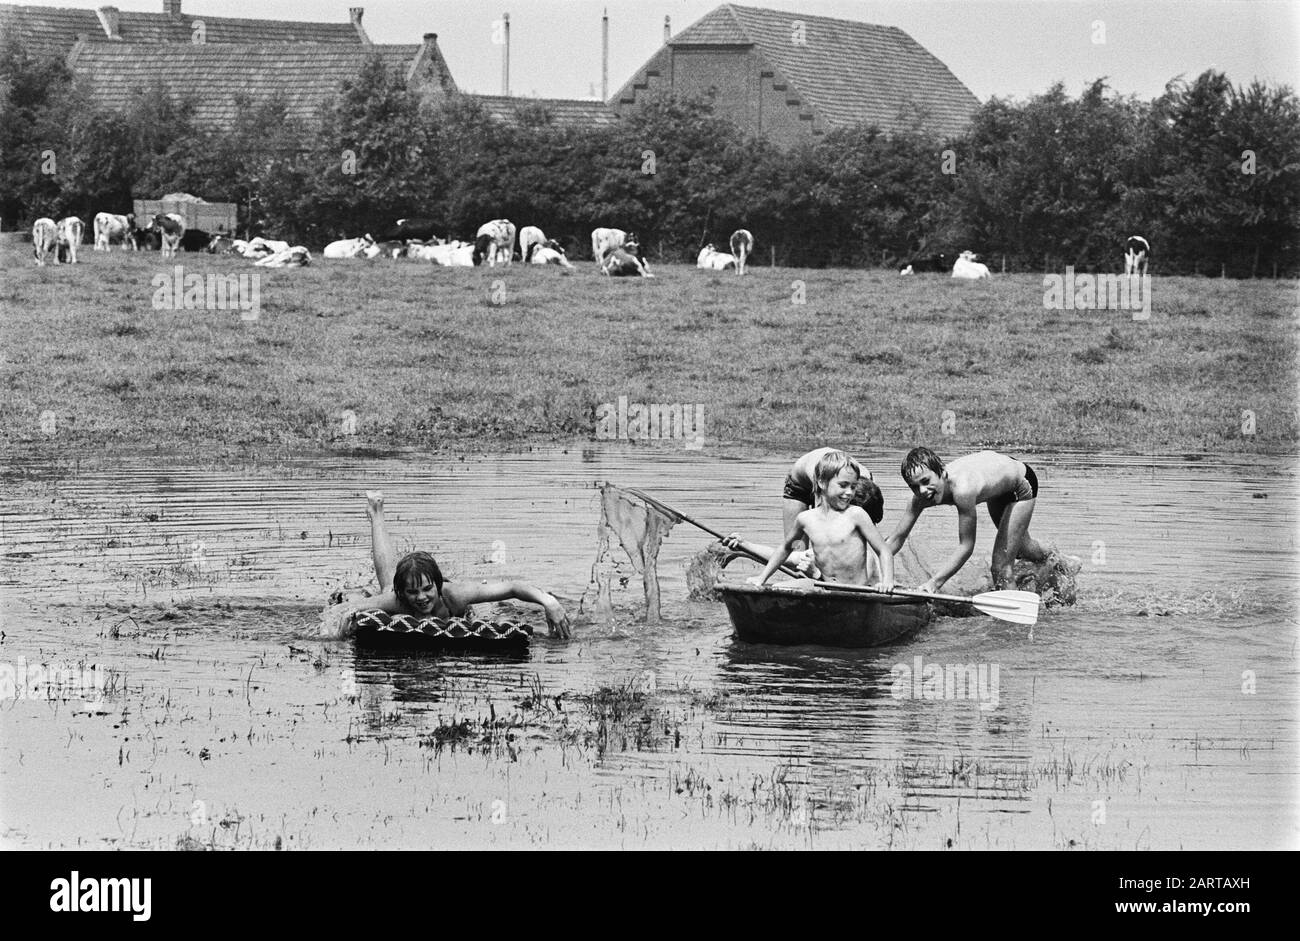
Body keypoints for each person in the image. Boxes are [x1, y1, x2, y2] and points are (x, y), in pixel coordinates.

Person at [317, 492, 571, 639]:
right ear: (403, 593)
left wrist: (549, 602)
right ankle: (376, 513)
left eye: (427, 589)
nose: (421, 597)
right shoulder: (395, 601)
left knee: (393, 581)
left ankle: (376, 513)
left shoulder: (455, 595)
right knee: (386, 587)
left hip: (450, 610)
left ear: (438, 586)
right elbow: (341, 611)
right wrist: (338, 632)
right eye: (412, 592)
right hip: (392, 596)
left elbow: (513, 587)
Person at [886, 447, 1064, 593]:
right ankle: (1059, 560)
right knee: (1021, 550)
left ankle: (1012, 633)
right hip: (997, 480)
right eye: (914, 486)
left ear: (940, 471)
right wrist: (871, 570)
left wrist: (934, 583)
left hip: (1020, 482)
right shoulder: (918, 499)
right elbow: (896, 539)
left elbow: (966, 546)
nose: (923, 491)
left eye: (926, 481)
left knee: (1001, 568)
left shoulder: (963, 490)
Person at [753, 451, 895, 590]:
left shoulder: (856, 514)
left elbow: (883, 550)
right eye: (843, 485)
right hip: (823, 587)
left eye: (853, 486)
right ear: (822, 482)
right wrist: (762, 578)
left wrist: (887, 582)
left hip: (854, 591)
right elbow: (785, 548)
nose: (850, 493)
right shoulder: (805, 519)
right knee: (779, 588)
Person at [723, 476, 884, 579]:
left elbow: (854, 594)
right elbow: (786, 557)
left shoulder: (866, 559)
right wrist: (744, 546)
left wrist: (816, 574)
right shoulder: (825, 550)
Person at [781, 447, 883, 550]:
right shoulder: (824, 489)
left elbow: (871, 533)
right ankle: (766, 553)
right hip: (799, 487)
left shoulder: (869, 486)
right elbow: (820, 532)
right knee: (796, 549)